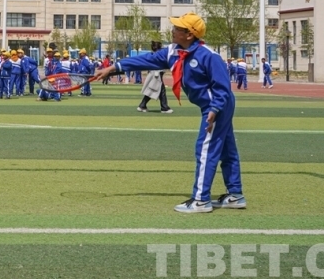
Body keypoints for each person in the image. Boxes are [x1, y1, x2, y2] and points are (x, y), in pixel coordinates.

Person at [95, 12, 245, 214]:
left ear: (189, 35)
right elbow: (146, 60)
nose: (172, 30)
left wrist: (214, 109)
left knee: (206, 149)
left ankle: (201, 200)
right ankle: (235, 195)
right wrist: (113, 68)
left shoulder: (209, 55)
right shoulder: (173, 52)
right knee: (226, 148)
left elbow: (222, 87)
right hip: (213, 105)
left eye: (177, 28)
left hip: (217, 105)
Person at [138, 42, 171, 113]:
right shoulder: (158, 55)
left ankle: (142, 105)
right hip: (156, 75)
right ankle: (164, 108)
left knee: (153, 90)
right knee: (160, 91)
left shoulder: (152, 54)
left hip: (153, 74)